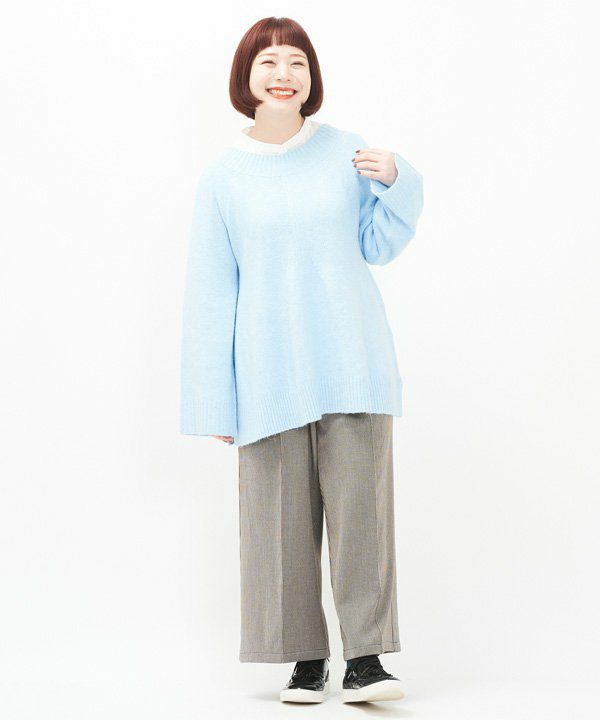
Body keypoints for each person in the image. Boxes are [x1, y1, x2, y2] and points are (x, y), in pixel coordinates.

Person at [180, 16, 424, 704]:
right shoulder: (223, 177)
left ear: (311, 77)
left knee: (362, 519)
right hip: (267, 374)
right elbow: (211, 293)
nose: (283, 75)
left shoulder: (347, 152)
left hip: (352, 363)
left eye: (296, 62)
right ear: (247, 77)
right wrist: (214, 399)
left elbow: (377, 245)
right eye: (268, 62)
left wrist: (400, 180)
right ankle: (305, 661)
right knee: (277, 524)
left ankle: (367, 659)